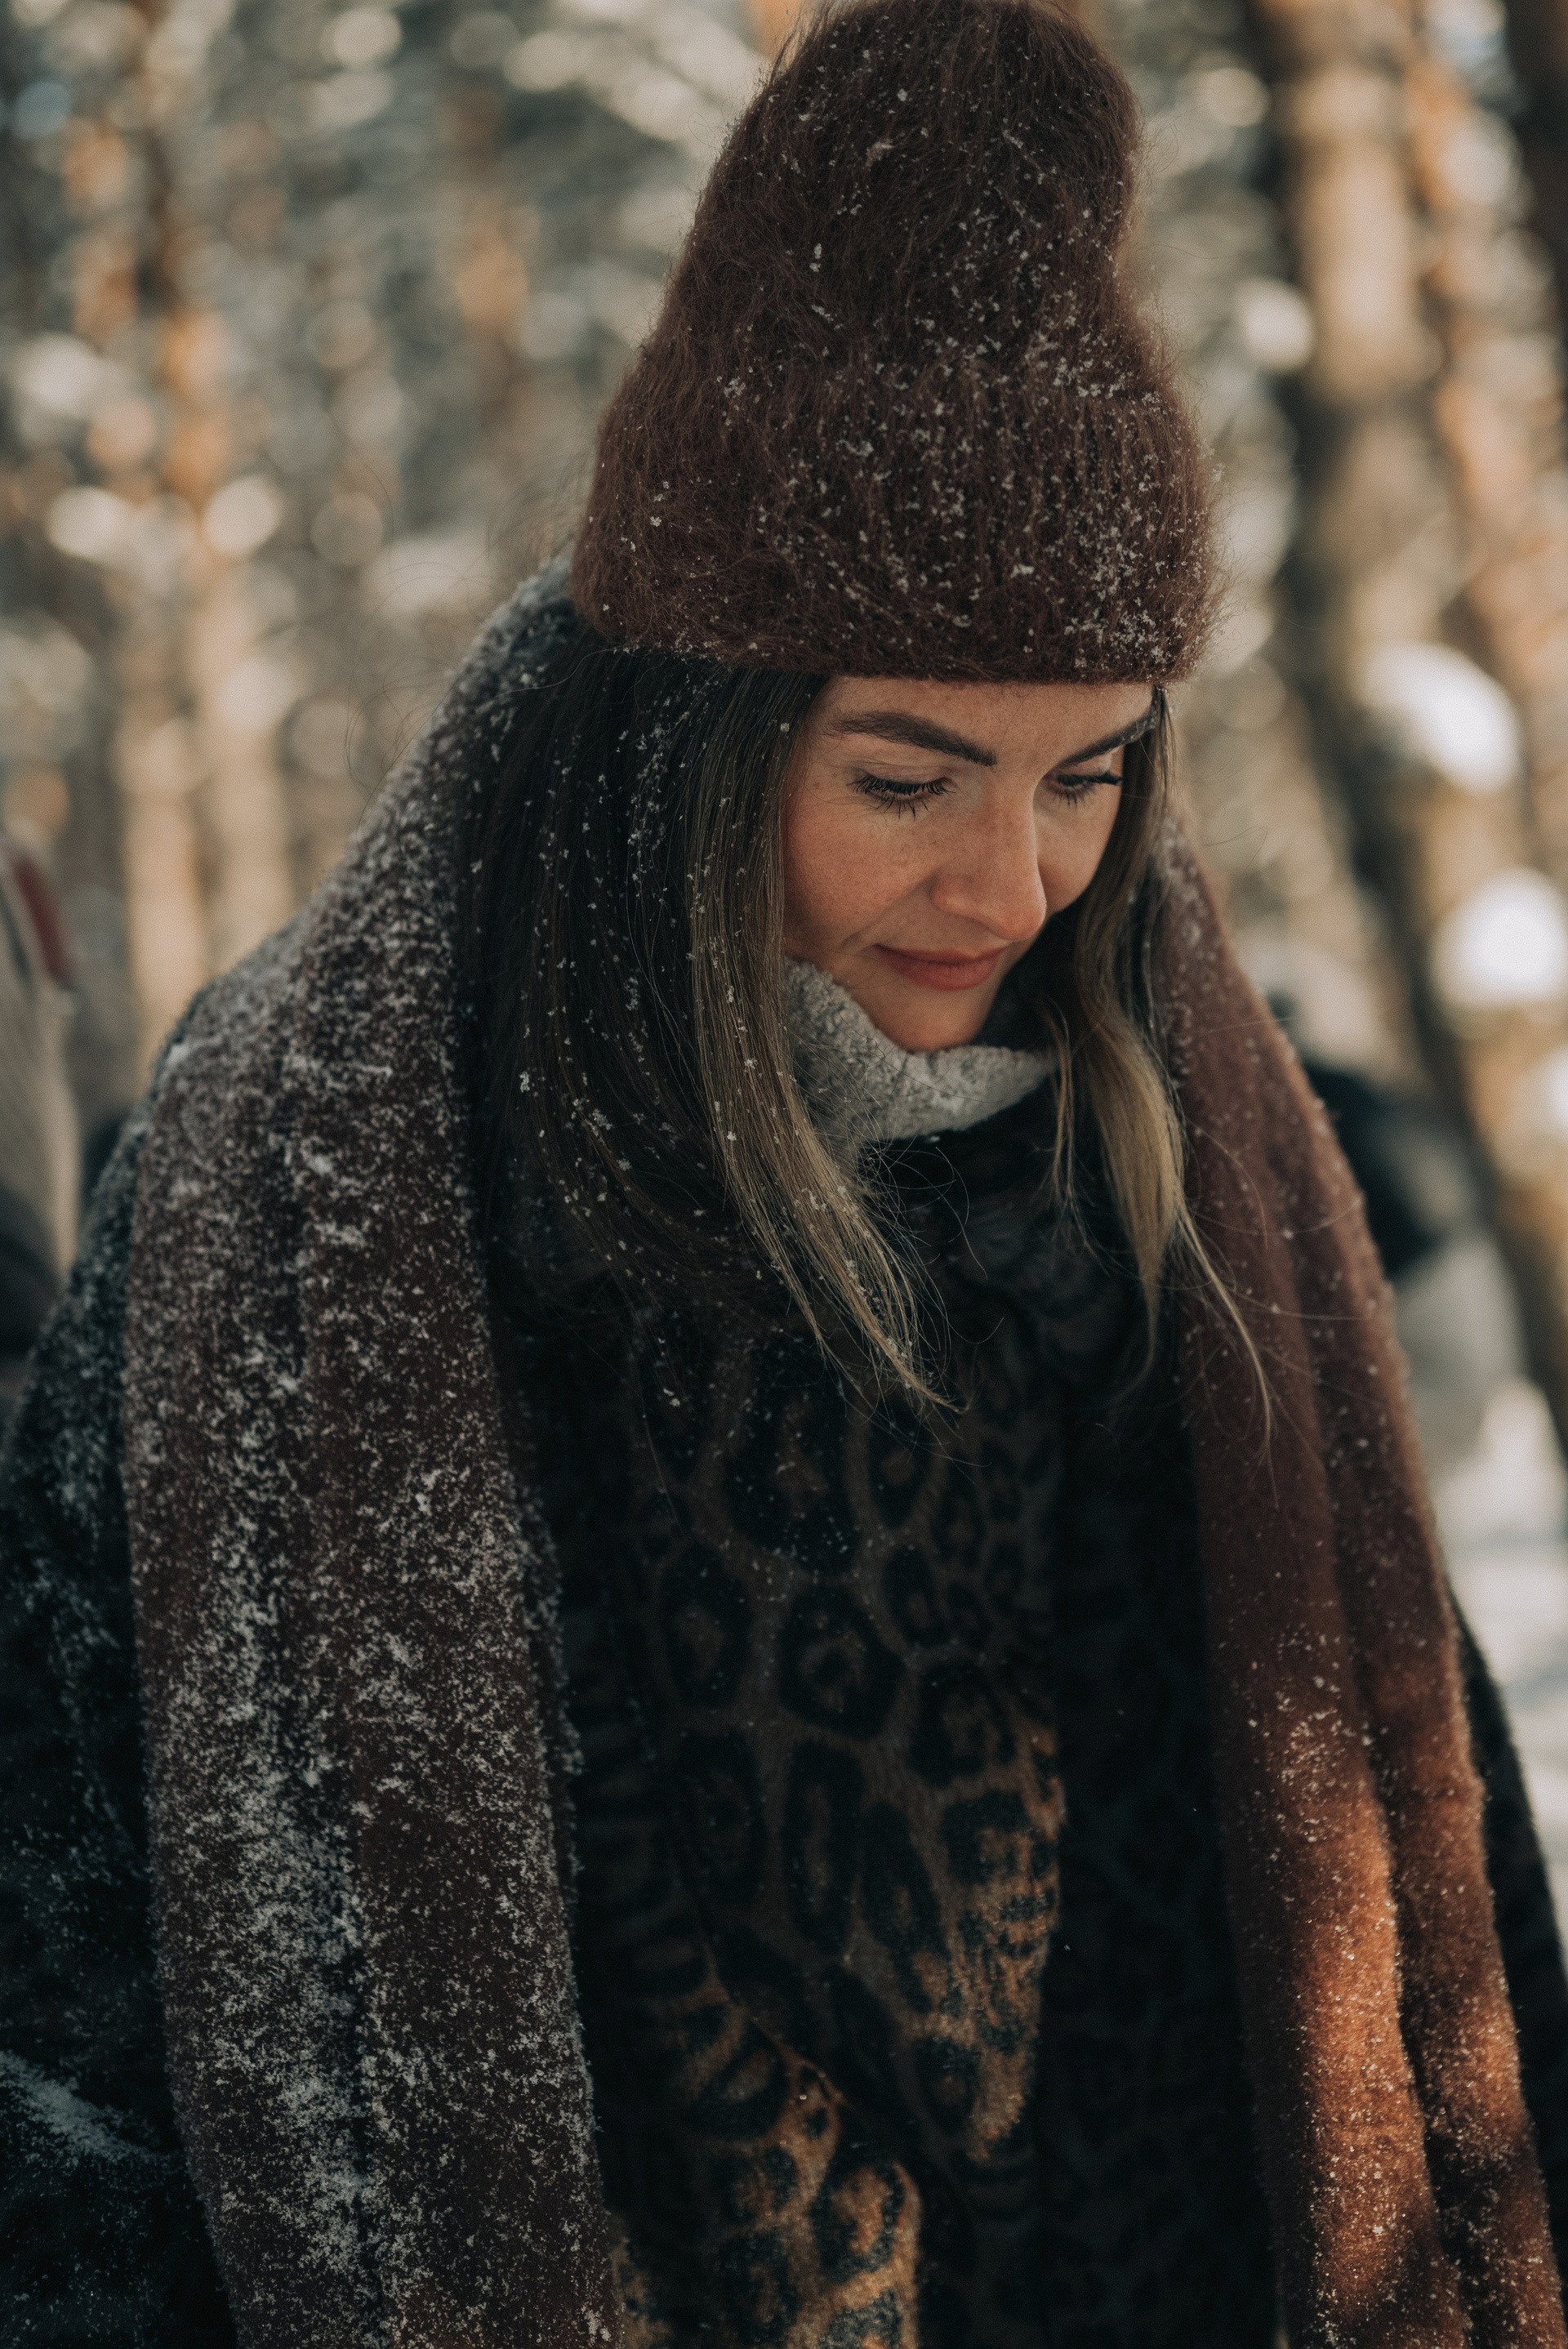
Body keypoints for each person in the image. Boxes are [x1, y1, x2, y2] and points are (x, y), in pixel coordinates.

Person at [2, 4, 1566, 2344]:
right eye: (907, 778)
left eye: (1089, 777)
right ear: (694, 751)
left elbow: (1449, 1927)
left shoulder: (1189, 1186)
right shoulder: (329, 1192)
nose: (1013, 883)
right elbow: (68, 1973)